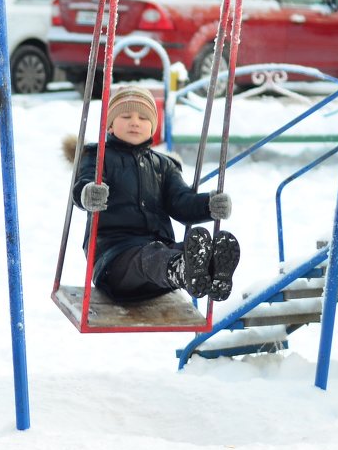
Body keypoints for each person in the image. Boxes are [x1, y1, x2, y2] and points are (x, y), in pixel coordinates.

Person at [67, 85, 240, 303]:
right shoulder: (98, 156)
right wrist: (88, 193)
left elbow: (181, 202)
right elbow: (82, 184)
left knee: (181, 249)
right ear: (110, 126)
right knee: (151, 257)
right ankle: (183, 270)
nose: (135, 122)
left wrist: (209, 205)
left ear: (152, 128)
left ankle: (212, 270)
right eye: (126, 116)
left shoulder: (164, 165)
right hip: (115, 259)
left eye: (143, 118)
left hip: (160, 264)